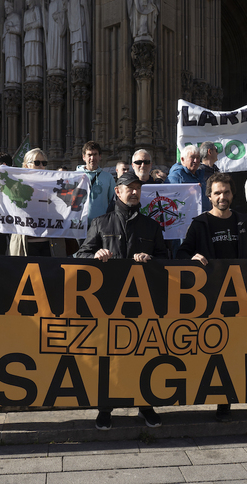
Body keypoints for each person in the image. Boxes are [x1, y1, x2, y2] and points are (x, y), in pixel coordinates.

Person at [75, 171, 167, 430]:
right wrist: (96, 256)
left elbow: (166, 260)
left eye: (138, 188)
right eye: (129, 188)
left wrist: (150, 262)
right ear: (117, 192)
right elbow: (80, 255)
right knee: (108, 357)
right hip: (107, 302)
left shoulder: (152, 226)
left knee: (143, 355)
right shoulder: (100, 223)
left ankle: (145, 405)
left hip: (142, 303)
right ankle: (105, 408)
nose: (134, 191)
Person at [177, 172, 247, 421]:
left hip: (237, 296)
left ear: (232, 194)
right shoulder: (200, 224)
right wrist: (192, 257)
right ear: (209, 196)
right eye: (217, 193)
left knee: (235, 347)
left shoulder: (241, 221)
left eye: (226, 192)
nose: (222, 197)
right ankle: (213, 392)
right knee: (214, 348)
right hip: (209, 297)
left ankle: (225, 399)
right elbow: (182, 253)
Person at [9, 148, 67, 257]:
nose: (41, 166)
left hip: (48, 243)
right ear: (26, 165)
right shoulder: (18, 185)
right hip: (26, 243)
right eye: (37, 163)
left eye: (44, 163)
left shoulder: (52, 185)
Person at [76, 141, 116, 224]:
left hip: (101, 224)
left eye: (95, 154)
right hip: (79, 224)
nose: (92, 158)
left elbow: (113, 202)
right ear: (84, 157)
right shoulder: (75, 176)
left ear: (100, 156)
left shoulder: (108, 177)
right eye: (89, 155)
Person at [168, 145, 211, 210]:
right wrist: (188, 193)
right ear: (182, 159)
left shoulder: (200, 175)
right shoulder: (175, 176)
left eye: (198, 157)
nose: (196, 161)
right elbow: (170, 200)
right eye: (192, 157)